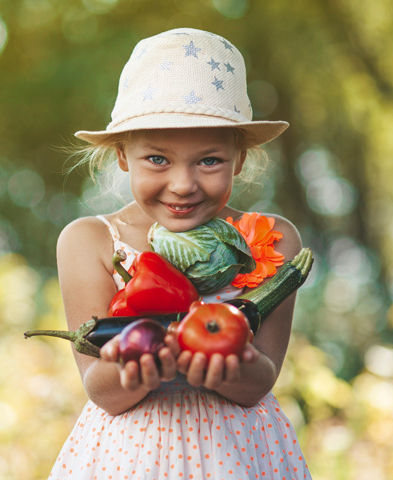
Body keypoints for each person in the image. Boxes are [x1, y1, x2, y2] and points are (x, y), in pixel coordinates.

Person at [51, 28, 311, 480]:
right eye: (157, 159)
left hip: (238, 454)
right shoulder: (89, 240)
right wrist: (140, 369)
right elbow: (102, 391)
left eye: (209, 160)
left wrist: (231, 361)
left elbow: (259, 384)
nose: (183, 184)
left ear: (241, 159)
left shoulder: (271, 240)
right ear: (122, 156)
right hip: (130, 456)